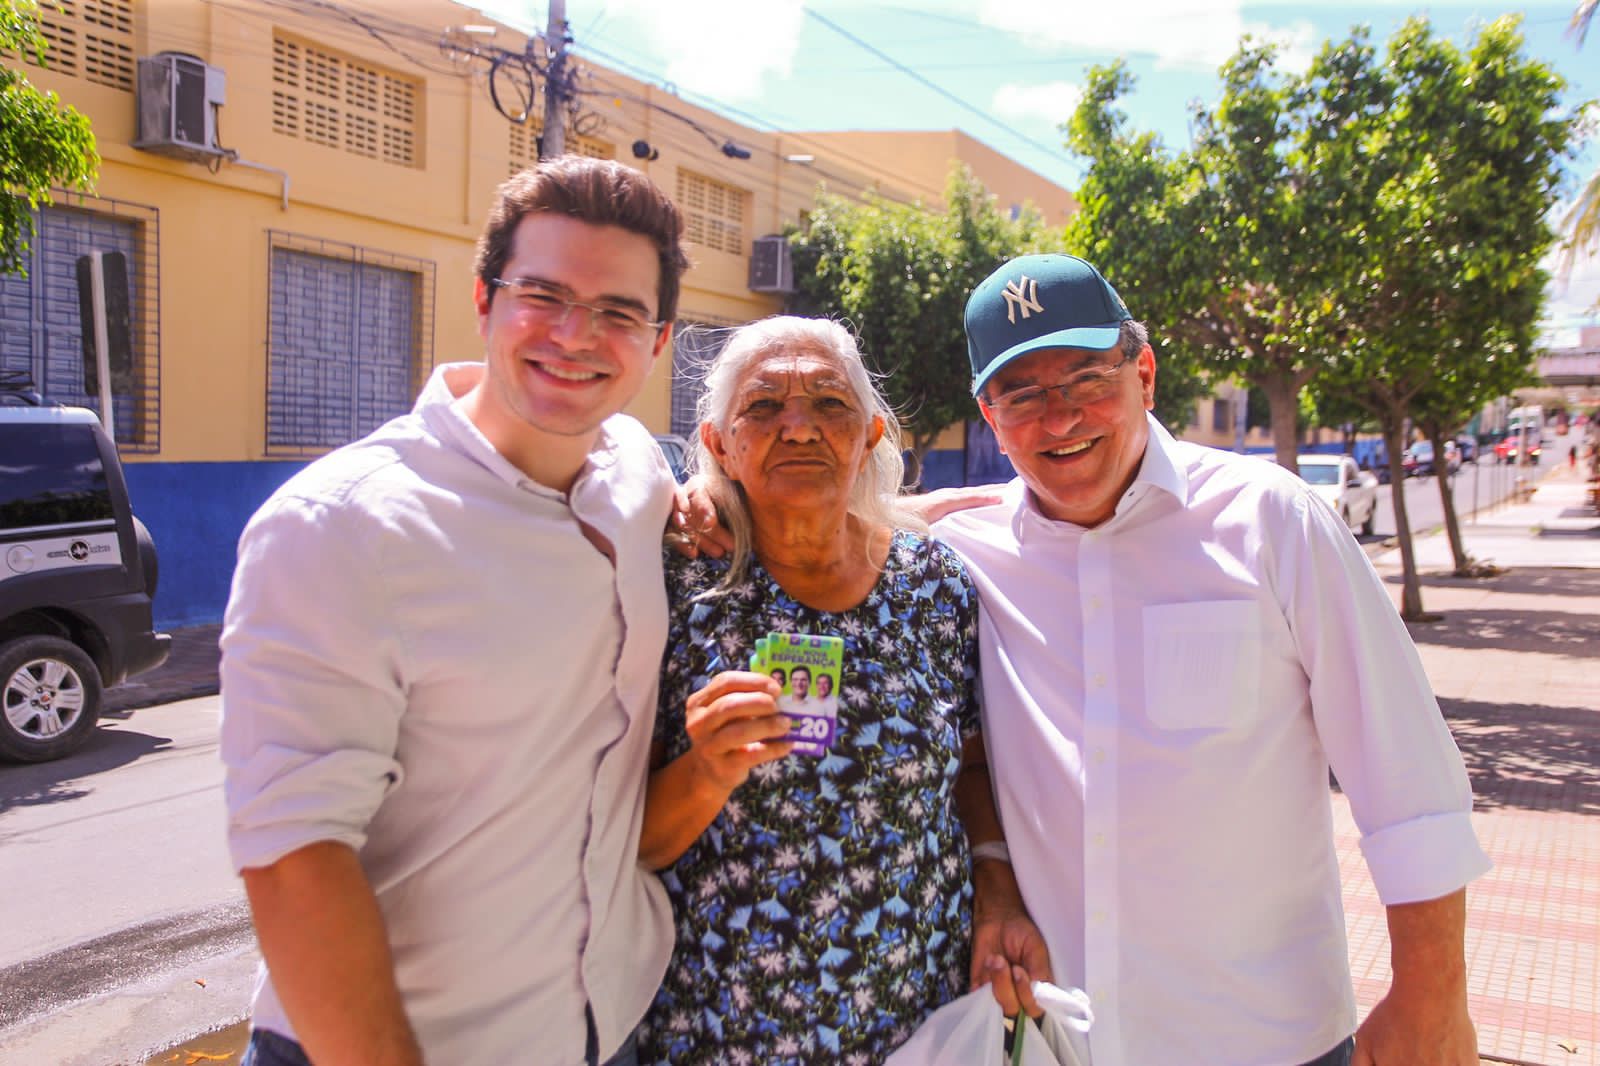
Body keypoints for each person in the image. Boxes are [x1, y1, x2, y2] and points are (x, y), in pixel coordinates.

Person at [931, 254, 1492, 1066]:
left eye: (1088, 378)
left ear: (1145, 373)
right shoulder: (964, 557)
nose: (1059, 420)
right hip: (1061, 1041)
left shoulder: (1272, 521)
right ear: (989, 415)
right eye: (1023, 395)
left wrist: (1431, 999)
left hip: (1268, 1039)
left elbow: (1406, 774)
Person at [219, 156, 690, 1066]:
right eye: (541, 295)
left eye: (619, 313)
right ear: (482, 300)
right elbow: (293, 858)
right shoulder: (343, 525)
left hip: (610, 1018)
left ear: (659, 341)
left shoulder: (634, 470)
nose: (575, 336)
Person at [636, 316, 1049, 1064]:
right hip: (727, 1032)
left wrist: (996, 884)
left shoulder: (933, 584)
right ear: (720, 442)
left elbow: (972, 763)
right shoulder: (672, 587)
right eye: (763, 407)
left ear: (870, 436)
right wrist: (707, 771)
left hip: (923, 1026)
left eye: (830, 404)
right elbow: (626, 843)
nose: (798, 427)